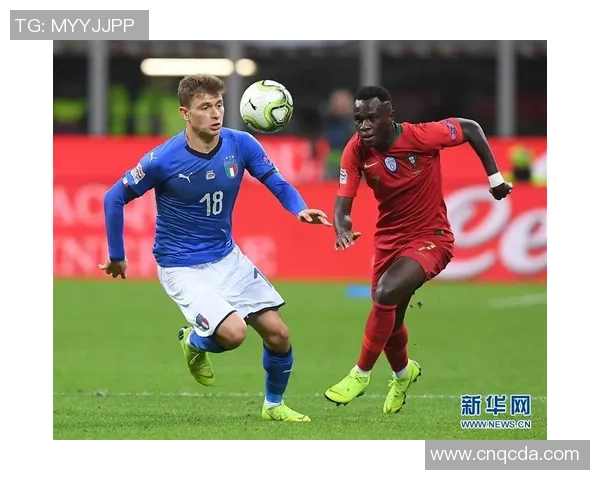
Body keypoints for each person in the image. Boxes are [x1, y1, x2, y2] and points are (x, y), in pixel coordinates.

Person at [100, 74, 331, 422]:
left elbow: (276, 181)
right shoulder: (163, 159)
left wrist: (299, 208)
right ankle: (194, 342)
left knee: (279, 334)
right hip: (181, 266)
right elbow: (113, 198)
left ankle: (274, 406)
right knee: (234, 334)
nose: (215, 113)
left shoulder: (241, 144)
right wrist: (117, 256)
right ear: (185, 113)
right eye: (205, 107)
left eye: (219, 105)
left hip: (226, 257)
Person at [324, 85, 512, 413]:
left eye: (371, 118)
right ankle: (403, 375)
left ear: (390, 116)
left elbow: (470, 128)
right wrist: (342, 228)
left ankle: (360, 374)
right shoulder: (356, 150)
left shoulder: (422, 136)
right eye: (358, 119)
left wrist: (495, 179)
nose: (364, 126)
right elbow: (343, 205)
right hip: (388, 241)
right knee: (390, 321)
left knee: (385, 293)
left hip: (431, 237)